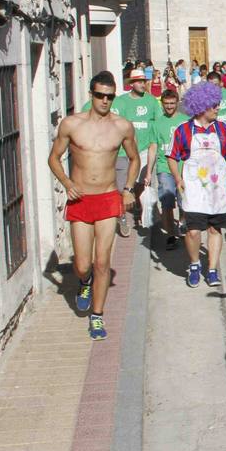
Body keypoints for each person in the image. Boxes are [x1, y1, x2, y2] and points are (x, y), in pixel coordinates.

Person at [47, 72, 139, 341]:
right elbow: (53, 158)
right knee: (83, 264)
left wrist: (129, 189)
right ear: (91, 94)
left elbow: (134, 159)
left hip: (108, 198)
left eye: (110, 96)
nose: (105, 100)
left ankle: (97, 316)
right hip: (81, 199)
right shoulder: (72, 124)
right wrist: (66, 182)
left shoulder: (122, 126)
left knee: (102, 262)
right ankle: (83, 283)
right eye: (100, 95)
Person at [168, 82, 226, 288]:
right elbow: (172, 156)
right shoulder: (183, 130)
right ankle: (194, 264)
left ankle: (212, 269)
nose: (218, 108)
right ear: (202, 107)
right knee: (193, 232)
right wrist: (178, 179)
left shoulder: (222, 129)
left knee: (214, 230)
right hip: (194, 191)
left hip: (217, 190)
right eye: (214, 105)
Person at [83, 68, 162, 237]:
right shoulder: (86, 107)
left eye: (109, 92)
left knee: (121, 189)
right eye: (100, 93)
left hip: (119, 154)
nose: (105, 99)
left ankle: (123, 216)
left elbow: (126, 127)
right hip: (95, 159)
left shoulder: (119, 104)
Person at [145, 88, 189, 249]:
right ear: (162, 104)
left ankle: (183, 221)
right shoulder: (156, 124)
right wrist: (149, 172)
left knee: (184, 201)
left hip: (184, 167)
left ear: (177, 103)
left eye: (172, 103)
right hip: (164, 168)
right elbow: (153, 148)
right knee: (167, 202)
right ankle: (170, 235)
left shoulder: (186, 121)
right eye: (166, 104)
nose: (169, 107)